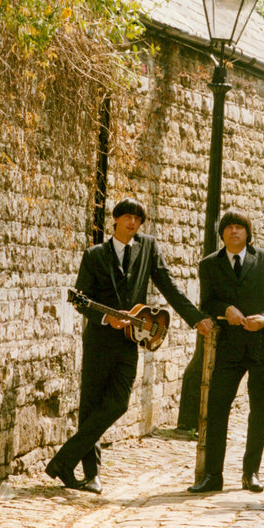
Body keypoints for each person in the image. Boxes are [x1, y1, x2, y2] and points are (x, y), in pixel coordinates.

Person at [46, 198, 213, 494]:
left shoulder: (147, 247)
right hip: (98, 340)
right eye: (127, 217)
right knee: (91, 407)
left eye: (138, 218)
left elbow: (169, 285)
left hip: (130, 342)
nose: (133, 223)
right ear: (116, 219)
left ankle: (62, 461)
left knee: (118, 404)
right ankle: (92, 474)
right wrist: (105, 320)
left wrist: (195, 318)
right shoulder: (94, 255)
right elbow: (82, 300)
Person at [188, 209, 264, 494]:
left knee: (259, 412)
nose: (234, 232)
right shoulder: (209, 264)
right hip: (228, 349)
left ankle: (251, 473)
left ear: (248, 232)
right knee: (217, 409)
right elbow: (207, 301)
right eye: (229, 228)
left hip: (263, 347)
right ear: (221, 233)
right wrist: (225, 309)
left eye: (239, 227)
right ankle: (213, 476)